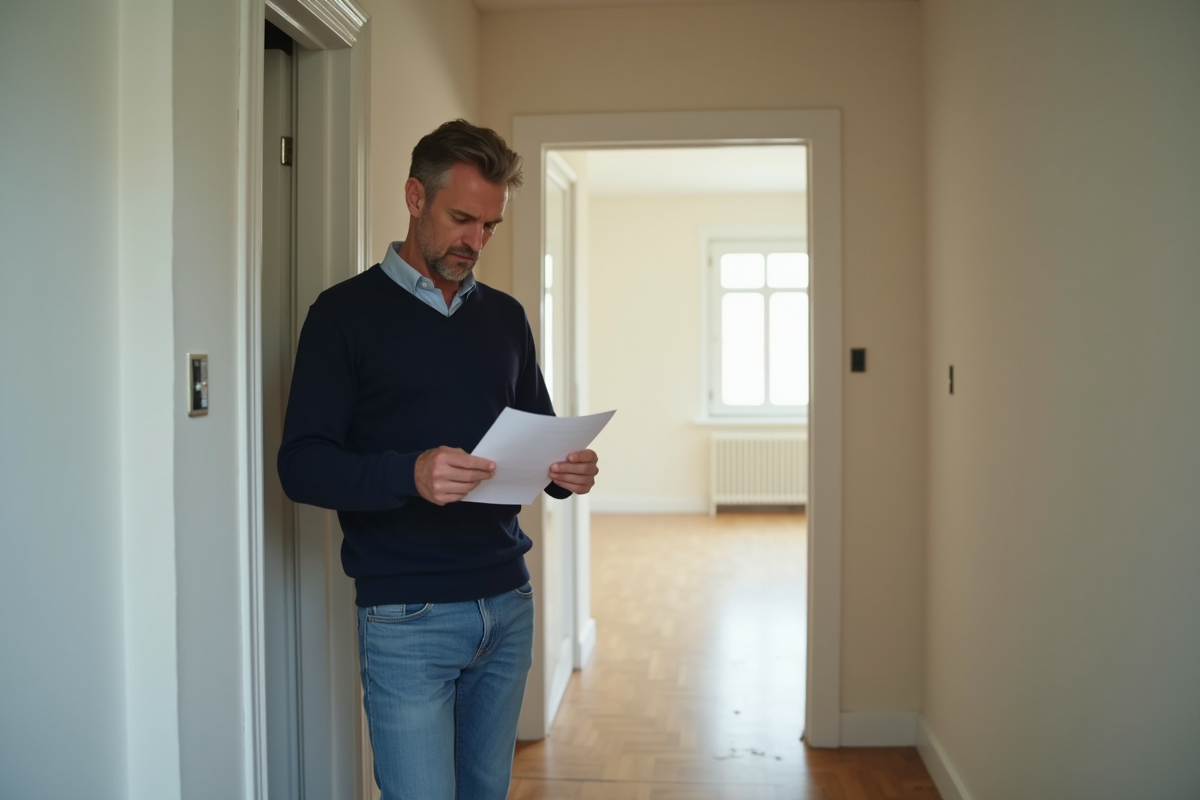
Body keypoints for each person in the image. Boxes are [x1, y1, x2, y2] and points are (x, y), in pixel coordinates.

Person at [277, 119, 599, 799]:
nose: (475, 242)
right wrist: (409, 473)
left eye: (490, 227)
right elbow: (301, 465)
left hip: (508, 603)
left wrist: (567, 472)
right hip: (407, 615)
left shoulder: (507, 317)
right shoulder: (341, 316)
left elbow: (537, 434)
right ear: (414, 198)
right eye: (461, 219)